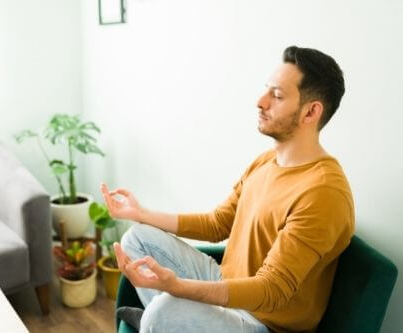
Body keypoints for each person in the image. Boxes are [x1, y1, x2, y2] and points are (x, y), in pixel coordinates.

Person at [101, 46, 354, 333]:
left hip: (262, 322)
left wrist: (177, 287)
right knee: (138, 238)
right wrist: (141, 213)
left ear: (311, 112)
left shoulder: (323, 193)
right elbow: (217, 223)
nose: (261, 102)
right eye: (266, 90)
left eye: (277, 96)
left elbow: (272, 290)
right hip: (224, 281)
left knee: (162, 310)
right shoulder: (267, 160)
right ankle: (160, 323)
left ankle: (156, 321)